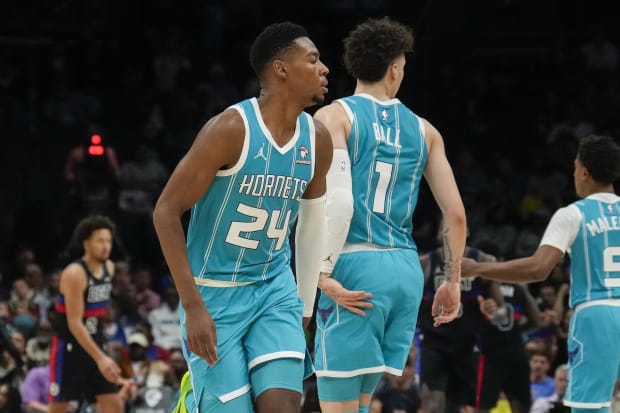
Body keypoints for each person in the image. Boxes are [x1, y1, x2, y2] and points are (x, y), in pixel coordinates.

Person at [153, 21, 332, 413]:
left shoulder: (317, 139)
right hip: (213, 294)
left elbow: (312, 226)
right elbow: (165, 211)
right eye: (314, 59)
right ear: (281, 68)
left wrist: (304, 307)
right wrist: (193, 306)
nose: (325, 69)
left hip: (273, 289)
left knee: (282, 406)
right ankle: (192, 398)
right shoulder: (230, 130)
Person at [311, 17, 467, 413]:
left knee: (338, 406)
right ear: (395, 69)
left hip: (353, 264)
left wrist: (321, 273)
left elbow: (338, 201)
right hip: (404, 270)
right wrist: (452, 280)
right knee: (362, 402)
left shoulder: (334, 117)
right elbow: (456, 215)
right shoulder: (426, 131)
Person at [462, 134, 620, 412]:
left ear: (584, 172)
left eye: (574, 169)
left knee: (590, 407)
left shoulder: (573, 214)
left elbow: (537, 269)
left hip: (597, 315)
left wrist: (478, 268)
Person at [417, 235, 502, 413]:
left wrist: (491, 305)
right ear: (438, 232)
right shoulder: (425, 262)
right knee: (434, 403)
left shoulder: (483, 260)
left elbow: (499, 305)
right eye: (443, 227)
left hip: (469, 341)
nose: (449, 231)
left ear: (466, 230)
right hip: (435, 340)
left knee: (475, 405)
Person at [48, 214, 123, 413]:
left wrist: (101, 351)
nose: (106, 246)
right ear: (86, 243)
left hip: (95, 342)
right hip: (70, 346)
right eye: (100, 241)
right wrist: (101, 358)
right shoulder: (75, 273)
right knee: (60, 406)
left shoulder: (110, 267)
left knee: (113, 404)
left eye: (108, 240)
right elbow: (74, 323)